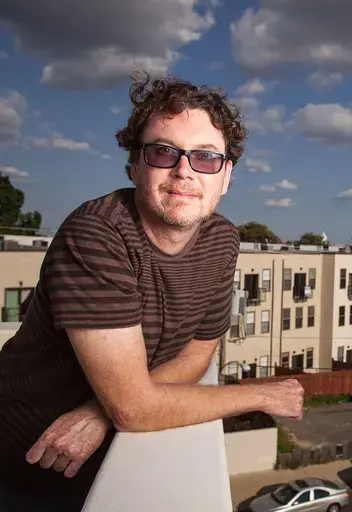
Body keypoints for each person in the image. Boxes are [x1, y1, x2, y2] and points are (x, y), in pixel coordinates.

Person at [0, 74, 304, 510]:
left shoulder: (221, 239)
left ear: (226, 175)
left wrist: (99, 410)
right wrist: (263, 394)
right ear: (135, 166)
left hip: (104, 461)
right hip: (21, 462)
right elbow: (134, 409)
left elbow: (196, 358)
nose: (184, 169)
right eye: (164, 152)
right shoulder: (96, 235)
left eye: (205, 157)